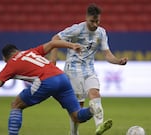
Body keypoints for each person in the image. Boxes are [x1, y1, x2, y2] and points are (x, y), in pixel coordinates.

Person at [0, 40, 98, 135]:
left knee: (16, 105)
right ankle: (92, 109)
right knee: (76, 116)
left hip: (46, 81)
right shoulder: (31, 52)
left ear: (5, 58)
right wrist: (72, 45)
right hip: (62, 78)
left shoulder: (10, 64)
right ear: (17, 50)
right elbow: (53, 43)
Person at [50, 4, 128, 135]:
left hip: (89, 70)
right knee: (77, 108)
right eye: (92, 21)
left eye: (98, 21)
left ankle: (99, 127)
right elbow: (55, 39)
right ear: (86, 18)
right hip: (73, 71)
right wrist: (53, 61)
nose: (95, 24)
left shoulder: (101, 32)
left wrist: (118, 61)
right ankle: (73, 133)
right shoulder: (76, 30)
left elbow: (107, 54)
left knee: (95, 94)